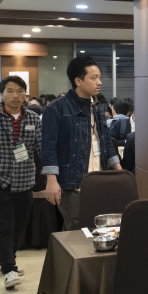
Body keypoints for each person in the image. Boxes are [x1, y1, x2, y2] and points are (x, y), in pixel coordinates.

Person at [0, 76, 41, 289]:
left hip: (25, 181)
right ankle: (9, 268)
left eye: (20, 91)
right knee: (6, 225)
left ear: (25, 94)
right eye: (10, 91)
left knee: (20, 226)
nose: (15, 96)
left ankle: (6, 260)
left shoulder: (33, 118)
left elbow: (40, 148)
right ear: (2, 94)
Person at [41, 56, 122, 230]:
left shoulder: (98, 107)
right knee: (77, 228)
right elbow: (48, 147)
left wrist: (120, 171)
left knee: (93, 229)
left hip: (99, 179)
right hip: (71, 182)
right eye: (94, 78)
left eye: (99, 77)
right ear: (78, 81)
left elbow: (106, 141)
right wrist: (51, 180)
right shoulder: (56, 108)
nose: (99, 82)